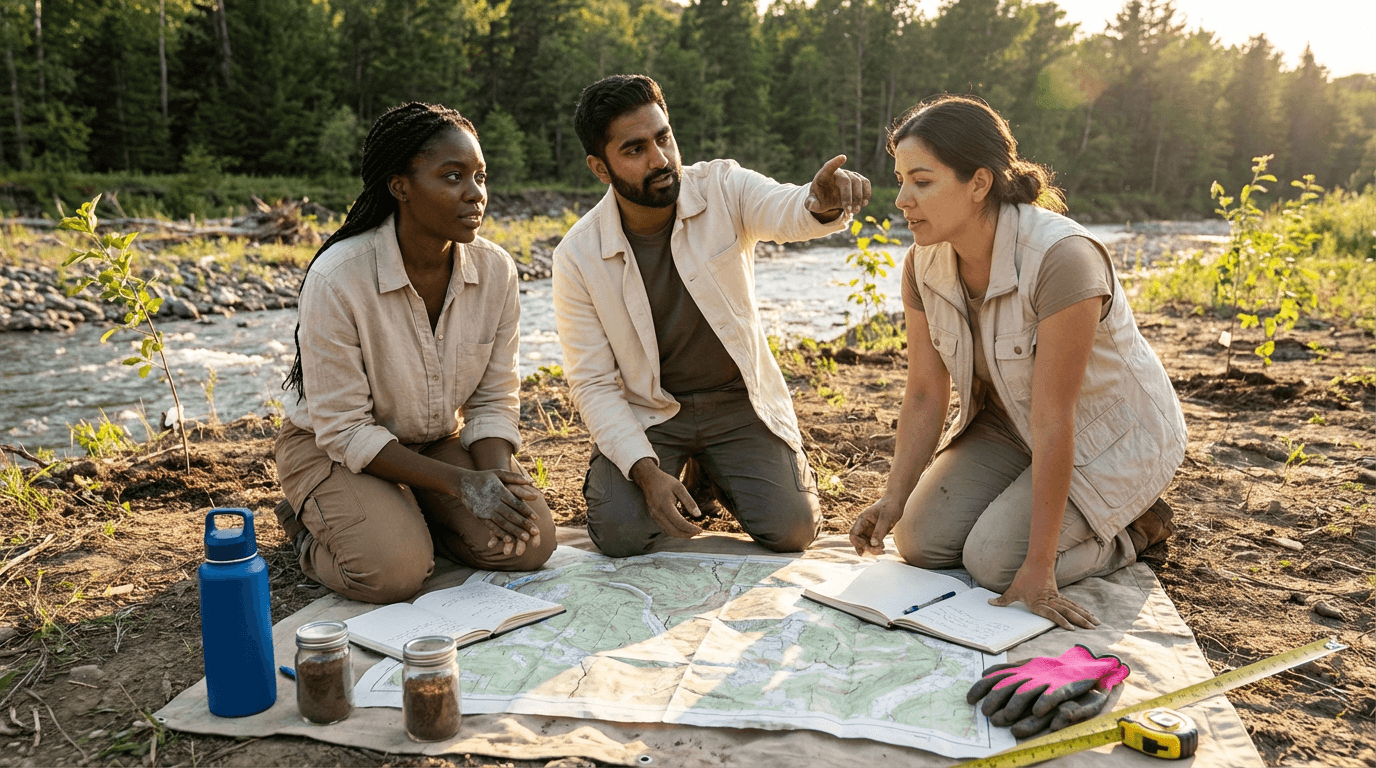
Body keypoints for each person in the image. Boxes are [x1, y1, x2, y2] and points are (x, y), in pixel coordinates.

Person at [849, 95, 1185, 629]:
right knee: (918, 541)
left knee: (996, 564)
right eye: (900, 179)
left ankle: (1137, 526)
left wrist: (1037, 567)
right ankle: (1028, 520)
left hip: (1107, 437)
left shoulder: (1062, 259)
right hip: (1008, 424)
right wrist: (893, 499)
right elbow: (924, 393)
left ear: (979, 183)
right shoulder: (923, 261)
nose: (902, 199)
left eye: (922, 181)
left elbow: (1056, 418)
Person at [554, 74, 872, 557]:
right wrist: (644, 470)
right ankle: (681, 464)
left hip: (738, 403)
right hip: (651, 411)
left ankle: (713, 469)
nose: (660, 159)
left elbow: (784, 206)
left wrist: (819, 201)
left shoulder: (722, 186)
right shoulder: (577, 256)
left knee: (792, 531)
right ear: (600, 167)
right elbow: (593, 384)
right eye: (635, 149)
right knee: (621, 534)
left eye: (664, 138)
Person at [274, 102, 555, 604]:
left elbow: (493, 398)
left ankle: (414, 517)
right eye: (453, 177)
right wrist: (460, 485)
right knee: (393, 574)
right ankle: (303, 526)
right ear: (400, 185)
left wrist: (495, 480)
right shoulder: (339, 278)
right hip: (334, 450)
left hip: (429, 443)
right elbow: (343, 428)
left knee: (528, 545)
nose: (476, 195)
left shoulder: (496, 271)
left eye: (480, 177)